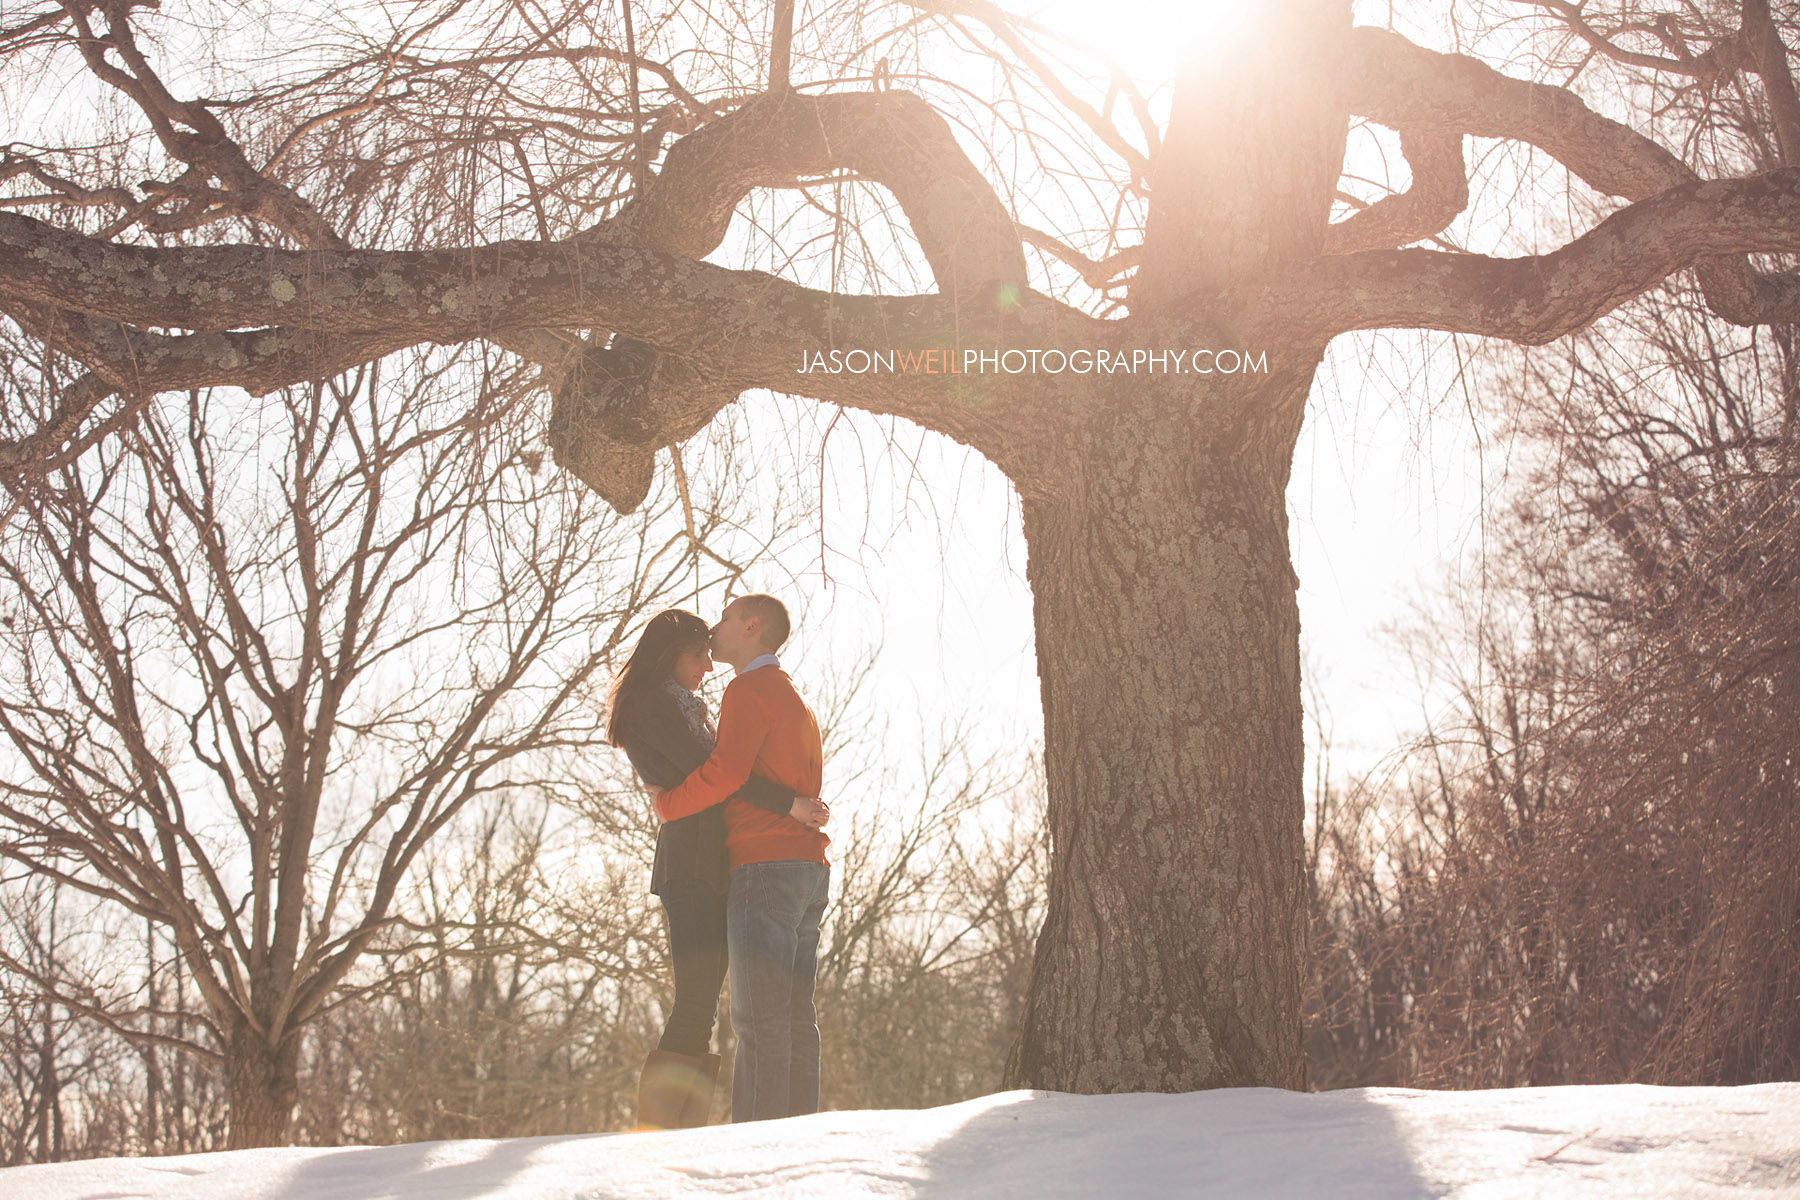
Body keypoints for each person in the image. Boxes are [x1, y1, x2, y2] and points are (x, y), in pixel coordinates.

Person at [607, 608, 828, 1130]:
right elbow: (721, 773)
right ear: (670, 654)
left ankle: (683, 1132)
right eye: (699, 654)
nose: (708, 665)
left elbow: (723, 771)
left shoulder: (690, 704)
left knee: (715, 1006)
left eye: (711, 652)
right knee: (697, 1002)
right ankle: (660, 1133)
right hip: (691, 866)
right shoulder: (651, 706)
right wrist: (787, 804)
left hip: (717, 861)